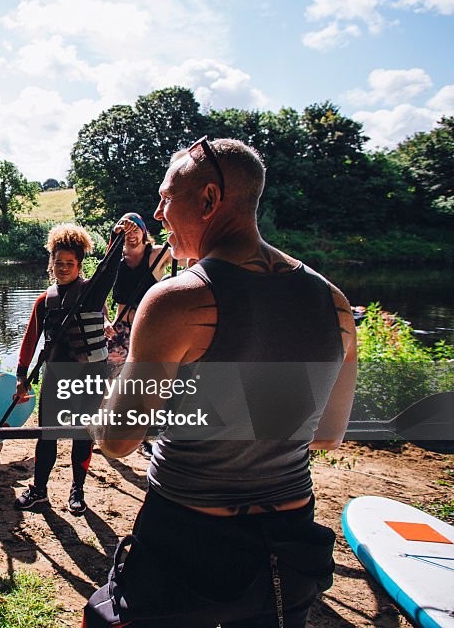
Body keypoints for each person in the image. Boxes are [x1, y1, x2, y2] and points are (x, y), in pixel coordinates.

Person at [85, 138, 357, 627]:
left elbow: (119, 441)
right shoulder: (334, 302)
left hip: (188, 540)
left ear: (209, 200)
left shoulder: (178, 300)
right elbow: (327, 434)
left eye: (167, 197)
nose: (158, 212)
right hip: (288, 544)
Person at [13, 223, 115, 516]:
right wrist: (22, 375)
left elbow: (109, 271)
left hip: (90, 375)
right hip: (56, 376)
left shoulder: (91, 293)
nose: (63, 268)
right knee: (47, 434)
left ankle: (77, 491)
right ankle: (39, 490)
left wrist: (116, 238)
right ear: (51, 264)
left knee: (83, 434)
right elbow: (30, 338)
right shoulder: (45, 300)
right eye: (58, 263)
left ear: (80, 265)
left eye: (70, 263)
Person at [106, 212, 172, 365]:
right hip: (121, 329)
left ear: (143, 231)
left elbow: (191, 259)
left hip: (149, 328)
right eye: (126, 231)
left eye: (135, 229)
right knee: (106, 376)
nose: (131, 234)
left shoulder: (159, 254)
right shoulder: (116, 259)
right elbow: (99, 295)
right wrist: (105, 321)